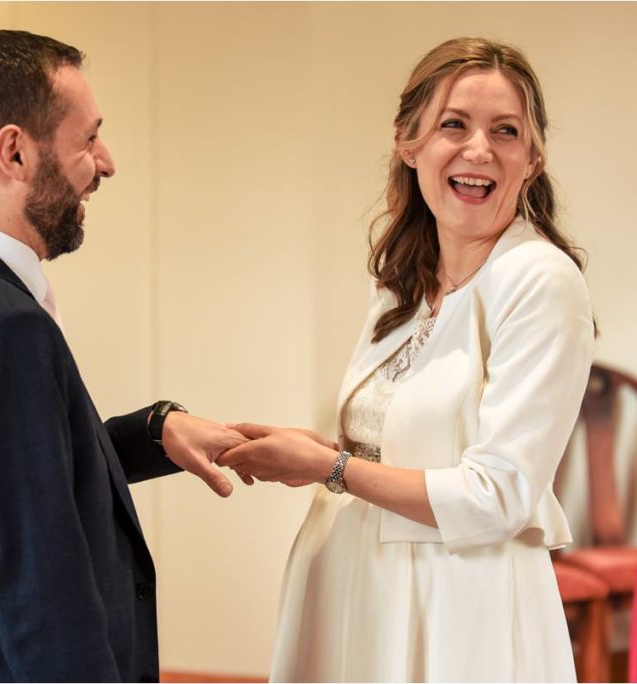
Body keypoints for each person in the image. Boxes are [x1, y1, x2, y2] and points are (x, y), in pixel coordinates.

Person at [0, 30, 245, 682]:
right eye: (89, 137)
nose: (106, 162)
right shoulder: (3, 327)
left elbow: (8, 479)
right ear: (14, 153)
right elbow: (41, 594)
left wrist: (155, 432)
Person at [219, 37, 594, 682]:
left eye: (505, 131)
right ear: (408, 141)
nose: (479, 149)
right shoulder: (403, 280)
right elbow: (392, 449)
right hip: (356, 582)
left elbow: (498, 494)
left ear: (531, 159)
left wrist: (329, 467)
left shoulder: (541, 281)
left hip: (456, 601)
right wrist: (312, 450)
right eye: (454, 124)